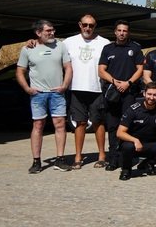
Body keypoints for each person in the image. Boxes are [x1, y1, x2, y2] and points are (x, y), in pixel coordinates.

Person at [17, 19, 73, 173]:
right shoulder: (27, 49)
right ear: (38, 32)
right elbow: (20, 71)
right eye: (48, 30)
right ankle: (36, 161)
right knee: (38, 125)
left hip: (57, 93)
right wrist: (27, 88)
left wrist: (64, 86)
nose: (52, 33)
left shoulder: (60, 46)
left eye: (53, 30)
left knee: (60, 125)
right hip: (38, 94)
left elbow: (68, 67)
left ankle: (60, 160)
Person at [62, 14, 110, 169]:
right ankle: (78, 157)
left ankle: (102, 156)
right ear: (80, 25)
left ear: (95, 26)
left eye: (91, 25)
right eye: (85, 25)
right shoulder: (68, 42)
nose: (88, 28)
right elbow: (52, 49)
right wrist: (34, 42)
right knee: (80, 123)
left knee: (98, 122)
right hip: (76, 89)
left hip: (97, 89)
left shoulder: (104, 43)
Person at [98, 20, 144, 172]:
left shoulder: (135, 48)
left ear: (128, 32)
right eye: (119, 30)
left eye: (125, 31)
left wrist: (128, 83)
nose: (122, 33)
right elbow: (101, 70)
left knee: (127, 126)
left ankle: (126, 158)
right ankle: (113, 159)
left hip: (129, 93)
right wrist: (115, 82)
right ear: (115, 32)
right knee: (112, 126)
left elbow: (140, 69)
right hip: (112, 93)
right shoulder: (108, 48)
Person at [115, 82, 156, 181]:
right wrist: (135, 140)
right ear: (144, 94)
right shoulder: (133, 109)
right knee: (127, 146)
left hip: (151, 143)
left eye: (155, 95)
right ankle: (126, 170)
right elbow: (120, 133)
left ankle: (148, 163)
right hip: (133, 144)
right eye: (149, 94)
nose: (152, 97)